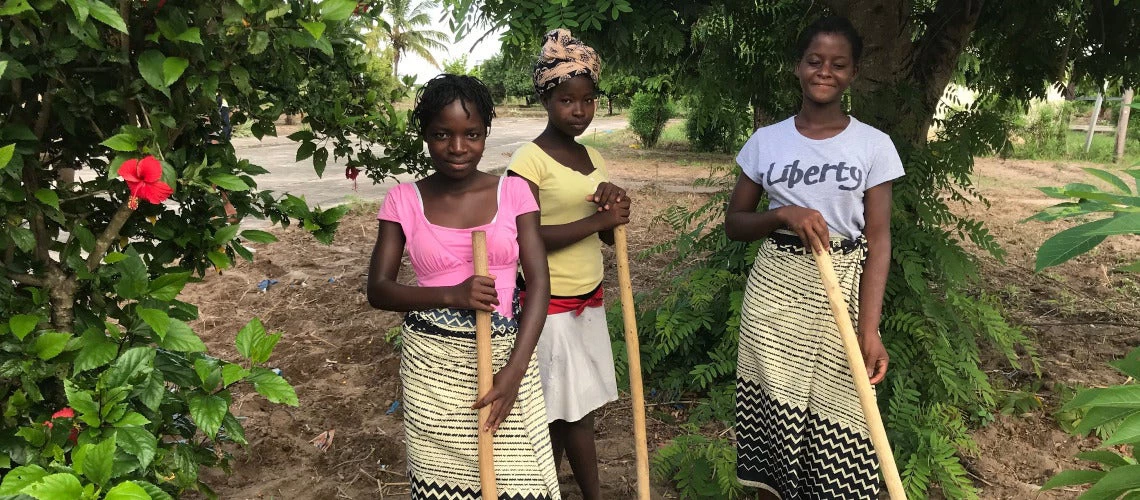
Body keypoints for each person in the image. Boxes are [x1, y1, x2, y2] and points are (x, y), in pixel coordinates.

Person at [725, 16, 904, 499]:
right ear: (797, 67)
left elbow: (880, 241)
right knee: (775, 426)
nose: (825, 71)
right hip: (775, 296)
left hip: (841, 291)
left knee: (844, 418)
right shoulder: (767, 141)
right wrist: (782, 213)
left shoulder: (874, 146)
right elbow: (735, 224)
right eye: (814, 61)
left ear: (854, 73)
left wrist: (870, 330)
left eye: (838, 64)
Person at [366, 74, 560, 500]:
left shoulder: (515, 192)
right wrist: (451, 294)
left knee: (521, 484)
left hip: (506, 360)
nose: (457, 147)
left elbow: (541, 285)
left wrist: (515, 371)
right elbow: (379, 290)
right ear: (425, 136)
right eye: (442, 135)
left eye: (471, 134)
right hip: (433, 373)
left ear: (486, 133)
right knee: (444, 489)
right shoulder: (403, 200)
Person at [506, 29, 630, 500]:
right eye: (566, 100)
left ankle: (551, 491)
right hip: (547, 305)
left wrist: (615, 209)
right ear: (546, 99)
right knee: (565, 413)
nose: (579, 110)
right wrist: (592, 220)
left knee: (573, 410)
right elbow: (524, 239)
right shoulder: (527, 160)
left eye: (588, 100)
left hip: (588, 301)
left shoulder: (592, 155)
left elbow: (603, 230)